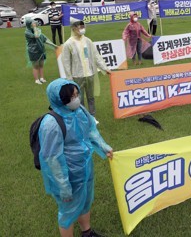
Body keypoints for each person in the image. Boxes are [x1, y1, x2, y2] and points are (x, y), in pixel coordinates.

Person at [38, 78, 113, 237]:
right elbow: (52, 158)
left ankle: (87, 232)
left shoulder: (80, 111)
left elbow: (91, 130)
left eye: (77, 94)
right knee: (68, 211)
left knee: (85, 201)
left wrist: (103, 146)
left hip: (85, 167)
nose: (76, 99)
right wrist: (63, 185)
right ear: (60, 99)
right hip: (68, 175)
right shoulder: (51, 124)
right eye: (71, 97)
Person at [61, 20, 111, 117]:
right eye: (79, 27)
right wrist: (69, 78)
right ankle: (82, 117)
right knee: (79, 98)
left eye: (83, 27)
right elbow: (66, 62)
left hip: (90, 74)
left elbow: (96, 56)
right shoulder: (68, 44)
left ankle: (92, 117)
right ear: (74, 29)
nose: (82, 29)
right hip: (77, 76)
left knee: (91, 97)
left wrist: (105, 68)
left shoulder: (87, 41)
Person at [25, 18, 56, 84]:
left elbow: (45, 39)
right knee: (35, 66)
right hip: (33, 51)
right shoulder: (27, 32)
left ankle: (42, 78)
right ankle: (36, 80)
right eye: (33, 23)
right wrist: (35, 28)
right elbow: (36, 36)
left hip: (41, 50)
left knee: (41, 65)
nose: (35, 24)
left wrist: (54, 46)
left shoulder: (38, 30)